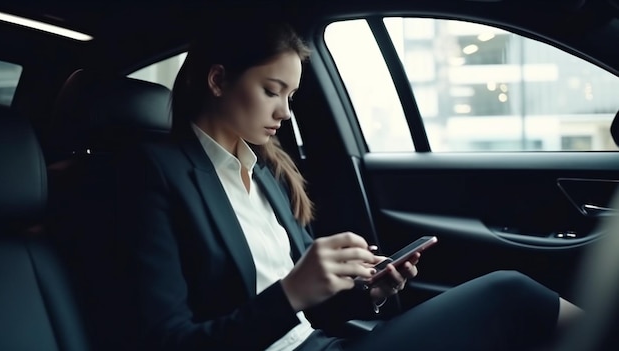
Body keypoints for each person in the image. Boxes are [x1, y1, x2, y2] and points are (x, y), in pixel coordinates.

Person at [116, 15, 582, 351]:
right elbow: (168, 340)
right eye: (271, 91)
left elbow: (304, 312)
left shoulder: (263, 171)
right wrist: (292, 292)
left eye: (290, 96)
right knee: (510, 294)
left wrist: (370, 293)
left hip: (321, 341)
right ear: (218, 80)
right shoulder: (152, 174)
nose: (284, 112)